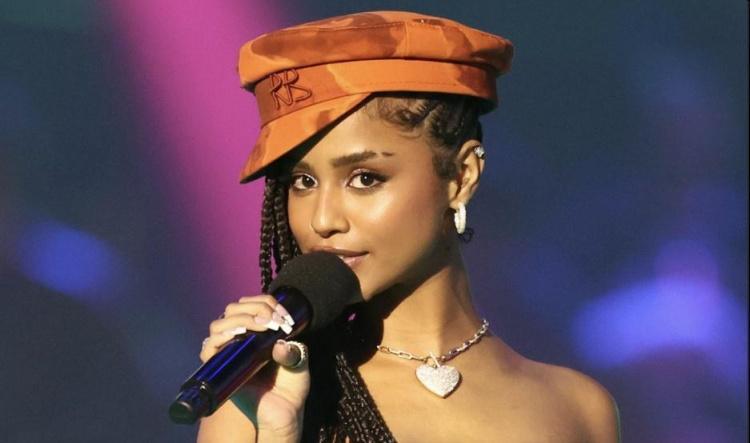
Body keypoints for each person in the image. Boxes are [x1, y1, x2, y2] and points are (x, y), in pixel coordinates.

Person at [196, 11, 620, 443]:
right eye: (303, 182)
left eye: (365, 178)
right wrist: (277, 430)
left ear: (462, 177)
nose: (322, 220)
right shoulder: (260, 398)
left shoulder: (577, 408)